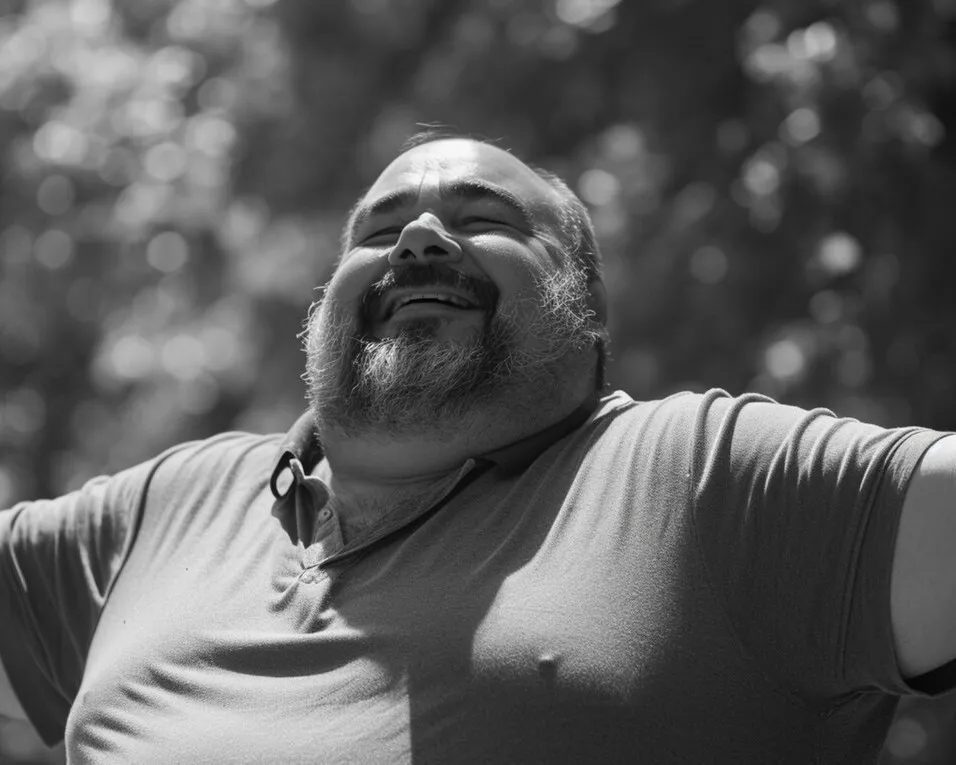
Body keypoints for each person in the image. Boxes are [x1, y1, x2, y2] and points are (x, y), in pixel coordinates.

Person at [1, 130, 954, 764]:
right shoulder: (169, 505)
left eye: (484, 219)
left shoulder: (699, 476)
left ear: (585, 307)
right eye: (379, 230)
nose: (418, 238)